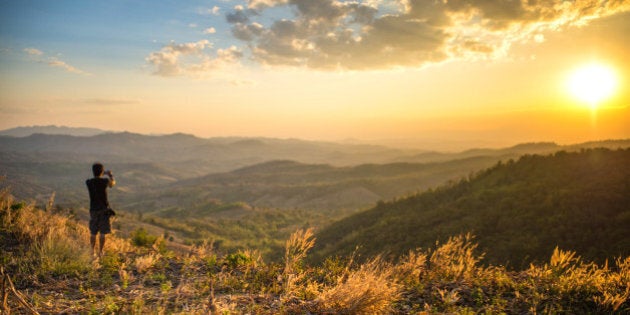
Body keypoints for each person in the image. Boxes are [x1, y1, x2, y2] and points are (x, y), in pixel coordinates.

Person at [86, 163, 116, 258]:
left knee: (93, 232)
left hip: (93, 209)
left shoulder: (89, 182)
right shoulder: (104, 181)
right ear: (102, 171)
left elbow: (96, 177)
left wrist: (100, 173)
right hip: (103, 209)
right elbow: (112, 184)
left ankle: (92, 251)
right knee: (103, 233)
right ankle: (100, 252)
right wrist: (110, 175)